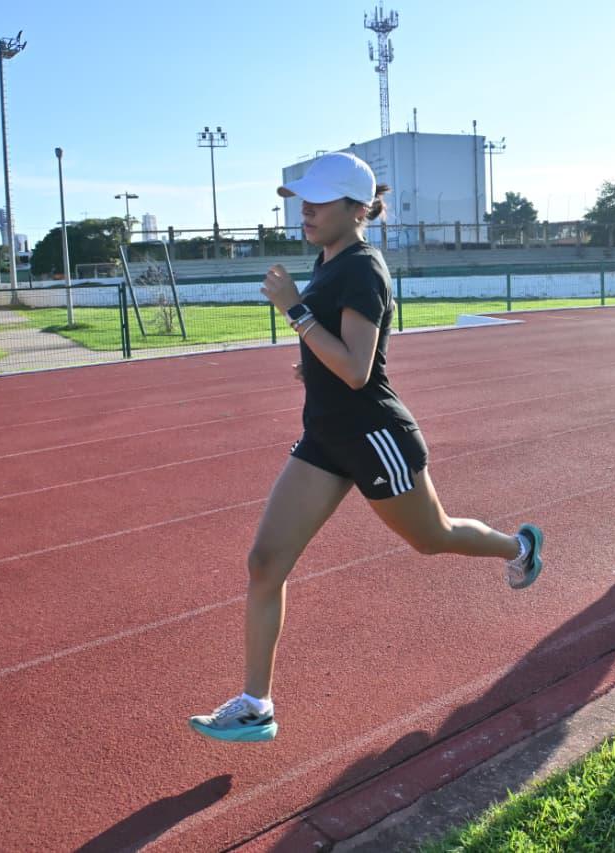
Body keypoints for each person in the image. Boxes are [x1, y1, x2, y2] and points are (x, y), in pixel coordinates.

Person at [189, 152, 544, 743]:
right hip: (326, 436)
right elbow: (334, 357)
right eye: (302, 199)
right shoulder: (326, 261)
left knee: (432, 538)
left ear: (356, 210)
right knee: (264, 563)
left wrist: (294, 310)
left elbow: (357, 369)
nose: (306, 210)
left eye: (319, 201)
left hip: (375, 434)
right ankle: (256, 705)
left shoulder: (362, 268)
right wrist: (309, 355)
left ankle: (518, 546)